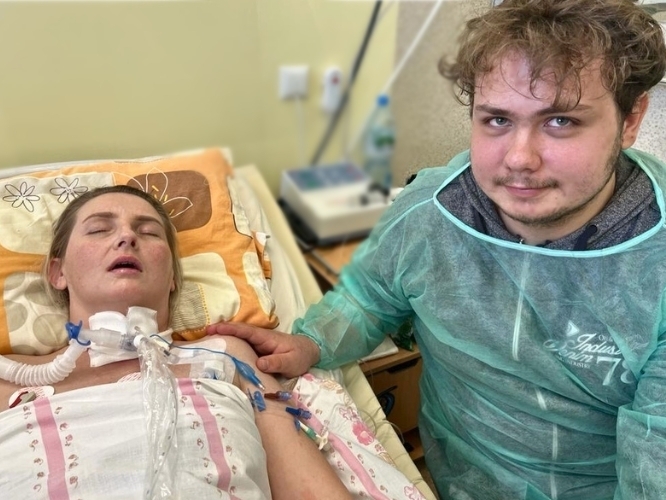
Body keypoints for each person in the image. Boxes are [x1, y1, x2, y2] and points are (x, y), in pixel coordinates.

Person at [207, 1, 666, 498]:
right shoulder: (428, 213)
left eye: (560, 121)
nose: (519, 158)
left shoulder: (655, 268)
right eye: (497, 120)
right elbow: (370, 298)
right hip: (457, 477)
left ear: (630, 119)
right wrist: (312, 343)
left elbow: (654, 462)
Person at [0, 185, 352, 500]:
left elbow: (309, 487)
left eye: (149, 232)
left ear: (172, 277)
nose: (127, 237)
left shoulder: (224, 356)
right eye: (99, 229)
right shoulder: (10, 378)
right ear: (58, 272)